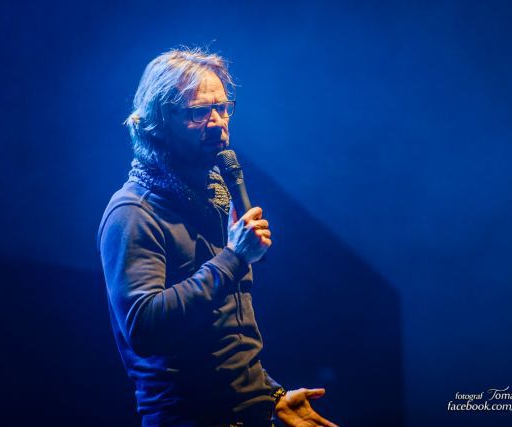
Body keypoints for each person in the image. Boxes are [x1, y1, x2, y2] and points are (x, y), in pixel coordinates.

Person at [97, 48, 338, 427]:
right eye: (198, 112)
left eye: (223, 108)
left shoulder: (212, 196)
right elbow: (143, 329)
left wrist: (269, 395)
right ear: (159, 121)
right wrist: (233, 258)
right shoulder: (134, 212)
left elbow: (220, 331)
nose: (217, 122)